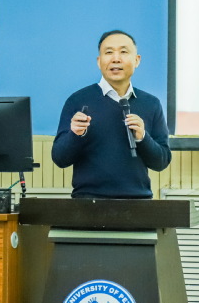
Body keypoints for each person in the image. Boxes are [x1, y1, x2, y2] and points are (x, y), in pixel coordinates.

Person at [51, 30, 171, 199]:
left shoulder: (151, 104)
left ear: (137, 60)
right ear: (99, 61)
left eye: (123, 52)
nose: (116, 59)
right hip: (88, 202)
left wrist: (142, 137)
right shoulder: (78, 100)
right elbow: (60, 159)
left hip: (139, 203)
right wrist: (75, 135)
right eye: (108, 52)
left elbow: (161, 162)